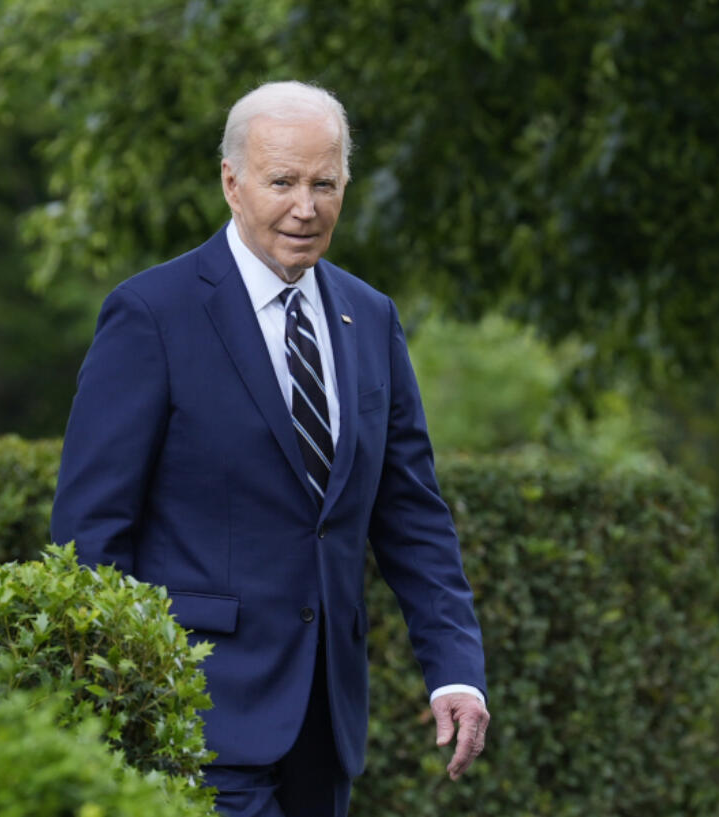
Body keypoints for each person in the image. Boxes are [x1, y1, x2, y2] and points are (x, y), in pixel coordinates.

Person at [51, 81, 489, 817]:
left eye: (325, 183)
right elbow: (90, 531)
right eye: (282, 181)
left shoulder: (371, 317)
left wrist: (456, 671)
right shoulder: (151, 315)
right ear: (232, 181)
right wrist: (117, 702)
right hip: (193, 721)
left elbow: (412, 513)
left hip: (326, 727)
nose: (306, 207)